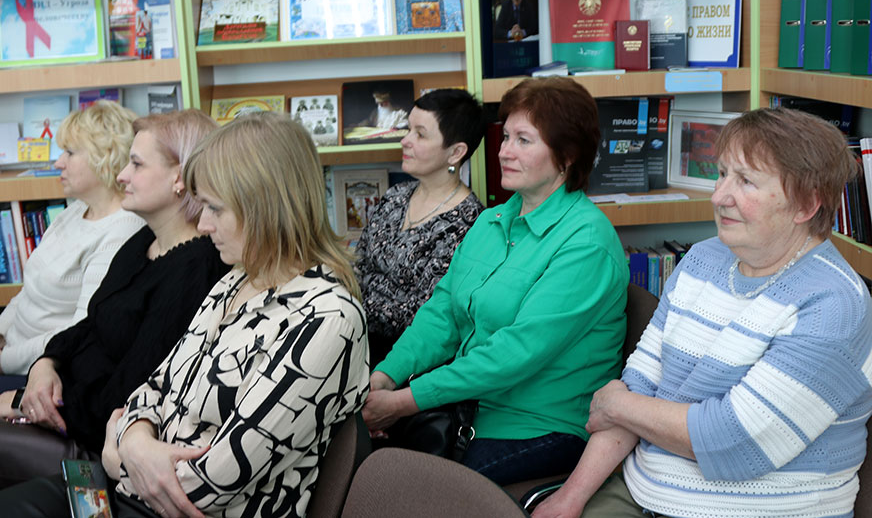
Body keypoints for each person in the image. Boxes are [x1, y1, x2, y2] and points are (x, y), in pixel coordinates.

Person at [0, 112, 370, 518]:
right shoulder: (236, 280)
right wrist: (135, 442)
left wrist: (119, 454)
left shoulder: (327, 318)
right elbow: (150, 390)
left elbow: (211, 484)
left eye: (215, 208)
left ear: (264, 207)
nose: (204, 224)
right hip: (133, 493)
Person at [534, 107, 872, 518]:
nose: (719, 196)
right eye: (722, 174)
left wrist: (617, 407)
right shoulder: (702, 259)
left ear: (805, 205)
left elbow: (732, 439)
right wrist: (571, 497)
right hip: (647, 488)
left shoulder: (833, 303)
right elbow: (639, 382)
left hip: (761, 510)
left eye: (745, 181)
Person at [362, 77, 628, 485]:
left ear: (568, 155)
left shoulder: (587, 243)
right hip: (471, 409)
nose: (504, 151)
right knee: (365, 468)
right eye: (505, 137)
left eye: (524, 140)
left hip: (542, 426)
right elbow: (442, 314)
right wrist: (385, 376)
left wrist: (402, 403)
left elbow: (514, 353)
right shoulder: (492, 219)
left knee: (412, 496)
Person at [0, 109, 229, 487]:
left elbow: (124, 397)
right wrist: (46, 362)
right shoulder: (145, 240)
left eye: (136, 164)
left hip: (88, 439)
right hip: (61, 404)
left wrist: (23, 400)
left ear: (178, 177)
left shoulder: (194, 270)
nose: (121, 175)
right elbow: (90, 323)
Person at [0, 101, 145, 386]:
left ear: (105, 156)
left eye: (69, 152)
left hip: (40, 371)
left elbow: (78, 330)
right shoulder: (76, 210)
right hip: (13, 350)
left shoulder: (123, 231)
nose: (58, 163)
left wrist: (5, 359)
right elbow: (29, 291)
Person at [356, 89, 485, 364]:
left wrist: (354, 307)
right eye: (408, 130)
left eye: (420, 134)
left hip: (409, 359)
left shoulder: (469, 223)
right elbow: (359, 264)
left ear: (456, 152)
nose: (405, 140)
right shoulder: (395, 195)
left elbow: (425, 312)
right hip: (356, 338)